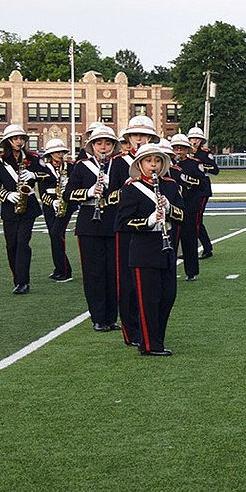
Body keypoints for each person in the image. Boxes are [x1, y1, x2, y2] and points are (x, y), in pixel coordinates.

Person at [115, 142, 185, 356]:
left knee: (167, 296)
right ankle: (149, 344)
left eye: (157, 161)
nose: (153, 165)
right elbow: (122, 222)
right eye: (148, 161)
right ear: (140, 164)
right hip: (143, 248)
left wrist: (169, 209)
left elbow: (183, 215)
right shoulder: (130, 188)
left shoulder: (171, 186)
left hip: (166, 247)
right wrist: (148, 221)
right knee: (148, 299)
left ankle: (157, 338)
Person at [107, 116, 161, 347]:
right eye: (134, 135)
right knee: (127, 281)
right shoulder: (119, 162)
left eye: (143, 135)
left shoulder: (158, 162)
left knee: (150, 284)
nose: (138, 139)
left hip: (151, 229)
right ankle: (131, 331)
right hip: (127, 227)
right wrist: (132, 190)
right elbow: (110, 197)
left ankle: (148, 328)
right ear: (127, 139)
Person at [66, 125, 120, 332]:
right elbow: (68, 194)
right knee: (94, 273)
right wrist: (89, 191)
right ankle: (98, 317)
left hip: (113, 221)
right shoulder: (81, 166)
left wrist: (111, 190)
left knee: (112, 272)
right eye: (99, 144)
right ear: (92, 146)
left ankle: (111, 317)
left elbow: (129, 191)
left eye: (107, 143)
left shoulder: (120, 165)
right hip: (89, 223)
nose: (103, 147)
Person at [0, 124, 49, 294]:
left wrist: (34, 175)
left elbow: (47, 175)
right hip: (10, 207)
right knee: (11, 245)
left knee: (23, 243)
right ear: (8, 141)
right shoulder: (0, 162)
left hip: (29, 206)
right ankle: (17, 278)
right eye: (15, 139)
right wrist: (7, 195)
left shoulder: (33, 158)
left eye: (21, 138)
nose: (19, 141)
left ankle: (24, 281)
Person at [38, 138, 75, 282]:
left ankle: (66, 271)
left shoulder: (71, 167)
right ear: (50, 154)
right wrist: (52, 202)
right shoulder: (43, 169)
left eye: (62, 151)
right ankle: (59, 269)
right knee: (53, 237)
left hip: (66, 205)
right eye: (56, 152)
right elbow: (42, 192)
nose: (60, 154)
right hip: (50, 206)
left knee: (56, 234)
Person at [170, 134, 207, 280]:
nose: (179, 151)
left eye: (182, 148)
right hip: (173, 207)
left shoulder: (194, 164)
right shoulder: (167, 164)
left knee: (189, 239)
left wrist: (187, 180)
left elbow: (202, 183)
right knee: (172, 240)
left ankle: (191, 271)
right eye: (176, 148)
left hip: (190, 206)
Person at [187, 126, 219, 259]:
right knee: (191, 220)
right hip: (188, 189)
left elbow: (215, 169)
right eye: (192, 138)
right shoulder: (186, 153)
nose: (194, 141)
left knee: (197, 220)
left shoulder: (205, 154)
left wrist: (199, 165)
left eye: (197, 139)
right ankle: (199, 248)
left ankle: (205, 248)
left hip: (201, 189)